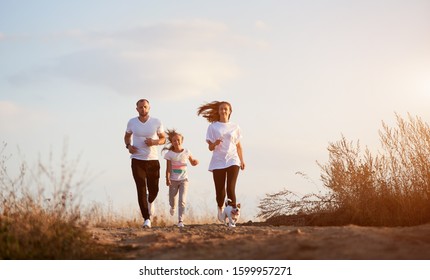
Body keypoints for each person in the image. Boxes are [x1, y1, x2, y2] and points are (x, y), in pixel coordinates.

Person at [197, 101, 245, 223]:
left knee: (230, 188)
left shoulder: (235, 127)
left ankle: (233, 216)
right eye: (221, 109)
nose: (223, 111)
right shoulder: (213, 127)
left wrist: (242, 160)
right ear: (218, 111)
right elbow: (210, 148)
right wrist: (215, 143)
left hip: (233, 159)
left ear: (230, 111)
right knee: (220, 191)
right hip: (218, 161)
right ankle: (220, 207)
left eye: (226, 109)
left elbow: (239, 146)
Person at [124, 99, 166, 228]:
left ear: (149, 108)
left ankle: (150, 200)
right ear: (137, 109)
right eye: (141, 107)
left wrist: (154, 142)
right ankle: (146, 218)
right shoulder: (132, 122)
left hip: (153, 160)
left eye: (145, 107)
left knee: (154, 189)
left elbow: (163, 139)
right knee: (141, 187)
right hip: (137, 160)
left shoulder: (156, 122)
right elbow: (127, 136)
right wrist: (128, 146)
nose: (143, 109)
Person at [163, 129, 199, 227]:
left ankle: (180, 221)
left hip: (184, 179)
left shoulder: (186, 151)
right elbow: (168, 168)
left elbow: (192, 162)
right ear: (172, 142)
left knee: (182, 200)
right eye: (174, 140)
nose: (176, 142)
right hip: (173, 180)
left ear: (182, 141)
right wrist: (167, 178)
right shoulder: (169, 154)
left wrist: (195, 162)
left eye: (178, 140)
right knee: (172, 200)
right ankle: (172, 207)